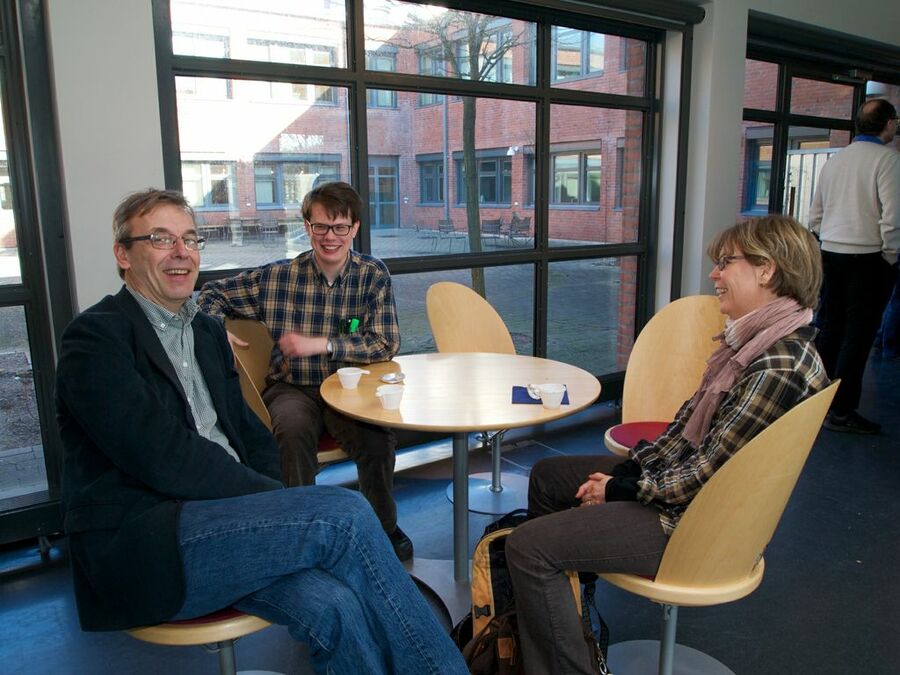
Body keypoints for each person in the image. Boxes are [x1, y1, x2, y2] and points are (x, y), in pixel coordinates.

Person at [55, 188, 466, 675]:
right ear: (124, 254)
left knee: (334, 603)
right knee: (343, 514)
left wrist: (278, 506)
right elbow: (164, 458)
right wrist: (283, 504)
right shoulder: (95, 339)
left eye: (191, 238)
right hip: (148, 542)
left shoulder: (205, 334)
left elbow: (251, 437)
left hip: (228, 519)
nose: (182, 252)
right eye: (162, 239)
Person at [505, 215, 830, 675]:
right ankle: (568, 627)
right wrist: (626, 475)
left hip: (698, 527)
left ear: (767, 270)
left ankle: (563, 657)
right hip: (694, 500)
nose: (714, 275)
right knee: (548, 476)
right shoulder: (760, 345)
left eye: (725, 263)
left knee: (528, 547)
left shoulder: (776, 365)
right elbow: (683, 437)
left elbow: (704, 475)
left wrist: (617, 490)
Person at [197, 181, 412, 560]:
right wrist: (219, 332)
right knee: (291, 431)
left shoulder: (372, 275)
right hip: (292, 387)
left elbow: (385, 342)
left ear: (355, 228)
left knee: (377, 440)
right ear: (307, 227)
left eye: (340, 227)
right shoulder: (277, 277)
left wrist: (322, 344)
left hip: (350, 388)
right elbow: (211, 294)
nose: (330, 237)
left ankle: (384, 528)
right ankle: (303, 534)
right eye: (320, 227)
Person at [808, 98, 900, 434]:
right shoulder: (888, 160)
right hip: (868, 259)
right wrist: (889, 257)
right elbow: (893, 219)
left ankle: (815, 406)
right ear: (888, 124)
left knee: (829, 329)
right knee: (857, 337)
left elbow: (814, 214)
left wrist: (827, 241)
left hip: (831, 253)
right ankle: (843, 412)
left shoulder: (836, 160)